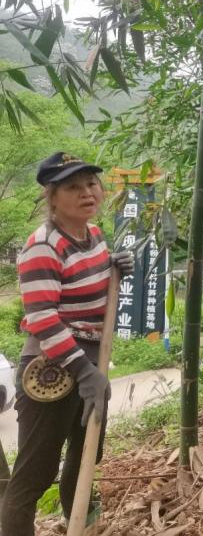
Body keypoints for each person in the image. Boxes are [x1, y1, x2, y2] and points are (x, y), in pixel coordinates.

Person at [1, 153, 133, 536]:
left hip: (92, 362)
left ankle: (81, 527)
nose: (87, 193)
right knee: (35, 473)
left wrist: (113, 267)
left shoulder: (94, 236)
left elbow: (90, 293)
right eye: (73, 187)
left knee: (86, 454)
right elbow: (43, 319)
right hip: (53, 366)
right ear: (52, 197)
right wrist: (84, 372)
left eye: (91, 183)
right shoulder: (42, 247)